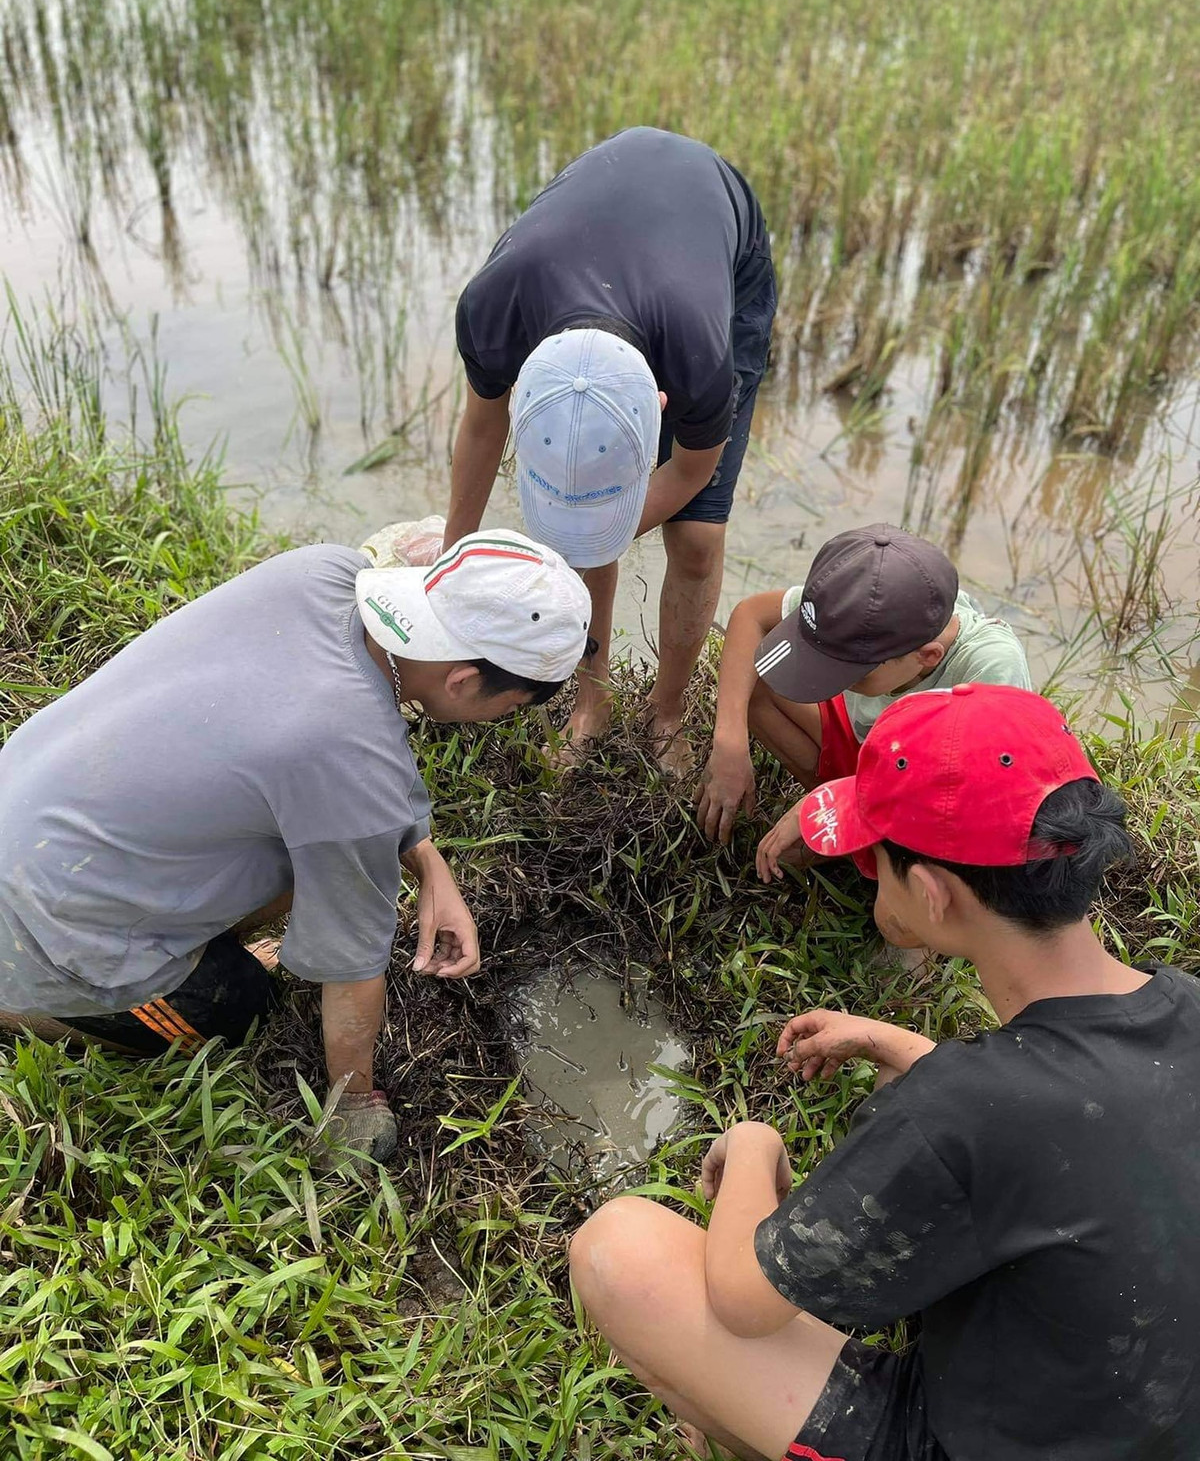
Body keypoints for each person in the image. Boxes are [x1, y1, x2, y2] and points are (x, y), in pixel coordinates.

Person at [572, 683, 1200, 1461]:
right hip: (1145, 1421)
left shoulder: (960, 1110)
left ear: (932, 894)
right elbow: (1078, 1121)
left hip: (974, 1443)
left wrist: (754, 1143)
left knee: (619, 1250)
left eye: (877, 860)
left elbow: (742, 1301)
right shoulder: (1182, 1003)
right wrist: (902, 1047)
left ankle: (734, 1425)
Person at [0, 530, 590, 1161]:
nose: (503, 719)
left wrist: (430, 867)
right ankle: (23, 1005)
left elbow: (352, 783)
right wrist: (353, 1104)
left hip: (30, 814)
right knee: (238, 1006)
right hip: (38, 928)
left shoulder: (324, 574)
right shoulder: (351, 760)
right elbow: (352, 968)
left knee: (306, 845)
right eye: (511, 707)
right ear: (465, 681)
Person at [445, 126, 777, 771]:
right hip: (592, 236)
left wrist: (594, 531)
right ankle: (590, 699)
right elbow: (482, 429)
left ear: (662, 404)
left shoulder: (699, 359)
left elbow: (691, 471)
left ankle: (667, 711)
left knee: (696, 539)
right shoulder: (493, 308)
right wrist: (450, 563)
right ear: (523, 386)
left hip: (718, 235)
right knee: (583, 518)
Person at [695, 523, 1030, 878]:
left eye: (852, 672)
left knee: (909, 890)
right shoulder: (863, 604)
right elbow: (751, 614)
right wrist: (729, 742)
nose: (831, 682)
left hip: (923, 785)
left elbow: (980, 794)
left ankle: (858, 831)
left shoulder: (991, 667)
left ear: (927, 656)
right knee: (759, 675)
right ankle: (844, 826)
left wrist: (847, 802)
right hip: (872, 747)